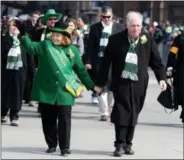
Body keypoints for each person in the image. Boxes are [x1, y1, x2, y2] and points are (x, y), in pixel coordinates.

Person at [17, 22, 98, 156]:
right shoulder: (45, 46)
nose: (55, 37)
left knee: (65, 119)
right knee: (48, 119)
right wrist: (23, 35)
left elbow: (81, 70)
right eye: (53, 35)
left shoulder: (73, 50)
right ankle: (52, 144)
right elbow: (31, 47)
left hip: (65, 90)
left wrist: (91, 86)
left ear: (65, 36)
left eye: (58, 35)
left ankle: (65, 147)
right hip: (46, 89)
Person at [95, 11, 167, 157]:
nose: (136, 29)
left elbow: (156, 61)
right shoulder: (116, 40)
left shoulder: (147, 38)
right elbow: (106, 63)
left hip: (140, 82)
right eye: (133, 26)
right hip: (121, 81)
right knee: (122, 111)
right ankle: (119, 144)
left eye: (138, 26)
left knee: (134, 111)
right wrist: (100, 83)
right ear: (127, 25)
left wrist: (162, 78)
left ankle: (128, 143)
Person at [85, 6, 124, 121]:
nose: (106, 19)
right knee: (100, 86)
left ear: (112, 16)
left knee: (111, 88)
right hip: (99, 62)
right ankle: (104, 112)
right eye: (104, 17)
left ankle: (109, 108)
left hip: (114, 62)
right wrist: (88, 61)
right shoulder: (95, 28)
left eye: (108, 17)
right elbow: (90, 47)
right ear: (100, 16)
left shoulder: (119, 28)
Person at [1, 18, 28, 126]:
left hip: (20, 71)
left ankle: (14, 115)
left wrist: (32, 72)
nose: (15, 28)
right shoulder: (4, 39)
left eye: (17, 26)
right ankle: (3, 113)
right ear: (8, 27)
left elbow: (29, 58)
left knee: (17, 94)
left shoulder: (24, 40)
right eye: (12, 25)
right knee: (5, 93)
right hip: (5, 71)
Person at [166, 33, 184, 123]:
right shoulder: (180, 38)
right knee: (181, 93)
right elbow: (173, 53)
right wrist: (170, 67)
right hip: (181, 70)